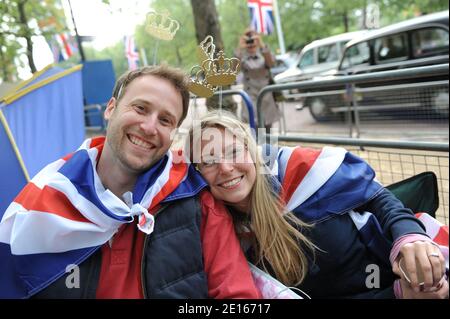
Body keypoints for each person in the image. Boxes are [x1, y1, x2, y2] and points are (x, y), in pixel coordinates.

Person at [0, 65, 261, 299]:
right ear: (111, 108)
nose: (149, 127)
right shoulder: (40, 203)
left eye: (165, 120)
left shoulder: (197, 200)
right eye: (140, 108)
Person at [186, 110, 449, 299]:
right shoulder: (222, 237)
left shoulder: (300, 170)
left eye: (234, 151)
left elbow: (378, 198)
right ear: (197, 174)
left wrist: (410, 237)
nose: (226, 168)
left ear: (252, 150)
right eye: (209, 161)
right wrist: (399, 294)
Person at [235, 29, 280, 132]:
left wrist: (261, 44)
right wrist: (239, 48)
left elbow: (271, 63)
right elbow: (233, 70)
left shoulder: (264, 54)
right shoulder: (241, 57)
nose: (250, 44)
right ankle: (255, 148)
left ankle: (268, 148)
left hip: (266, 96)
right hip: (250, 97)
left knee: (268, 130)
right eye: (248, 41)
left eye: (253, 40)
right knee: (253, 130)